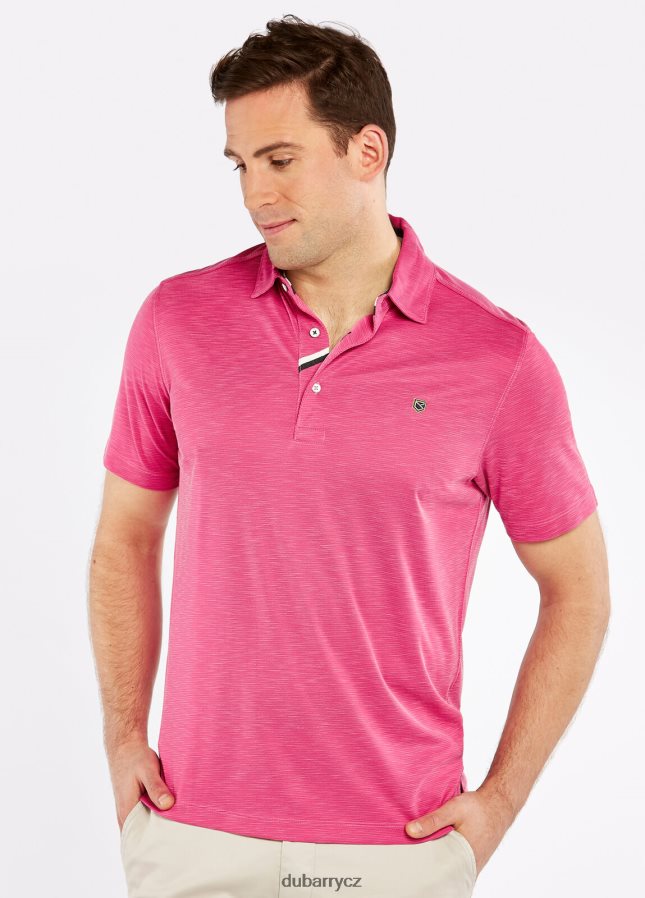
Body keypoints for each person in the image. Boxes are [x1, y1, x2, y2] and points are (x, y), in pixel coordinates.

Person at [88, 14, 610, 898]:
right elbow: (123, 539)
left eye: (279, 160)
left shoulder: (497, 359)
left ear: (367, 151)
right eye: (240, 165)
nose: (255, 193)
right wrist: (122, 737)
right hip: (192, 830)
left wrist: (498, 802)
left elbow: (579, 590)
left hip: (396, 841)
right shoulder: (177, 321)